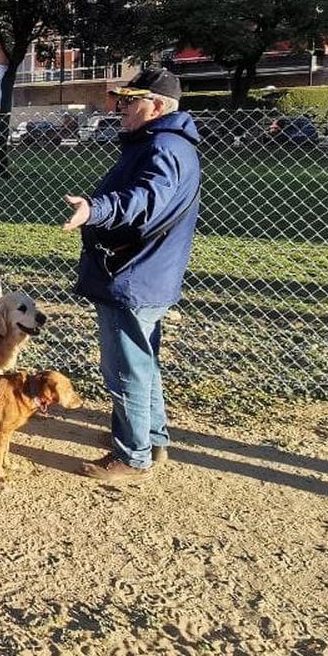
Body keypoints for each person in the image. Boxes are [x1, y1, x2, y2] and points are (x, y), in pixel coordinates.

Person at [61, 67, 202, 485]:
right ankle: (152, 439)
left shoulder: (163, 147)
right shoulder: (165, 144)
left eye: (129, 101)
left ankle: (132, 455)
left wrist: (95, 210)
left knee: (125, 370)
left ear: (156, 106)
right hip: (145, 274)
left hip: (133, 277)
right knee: (143, 365)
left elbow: (146, 201)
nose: (121, 109)